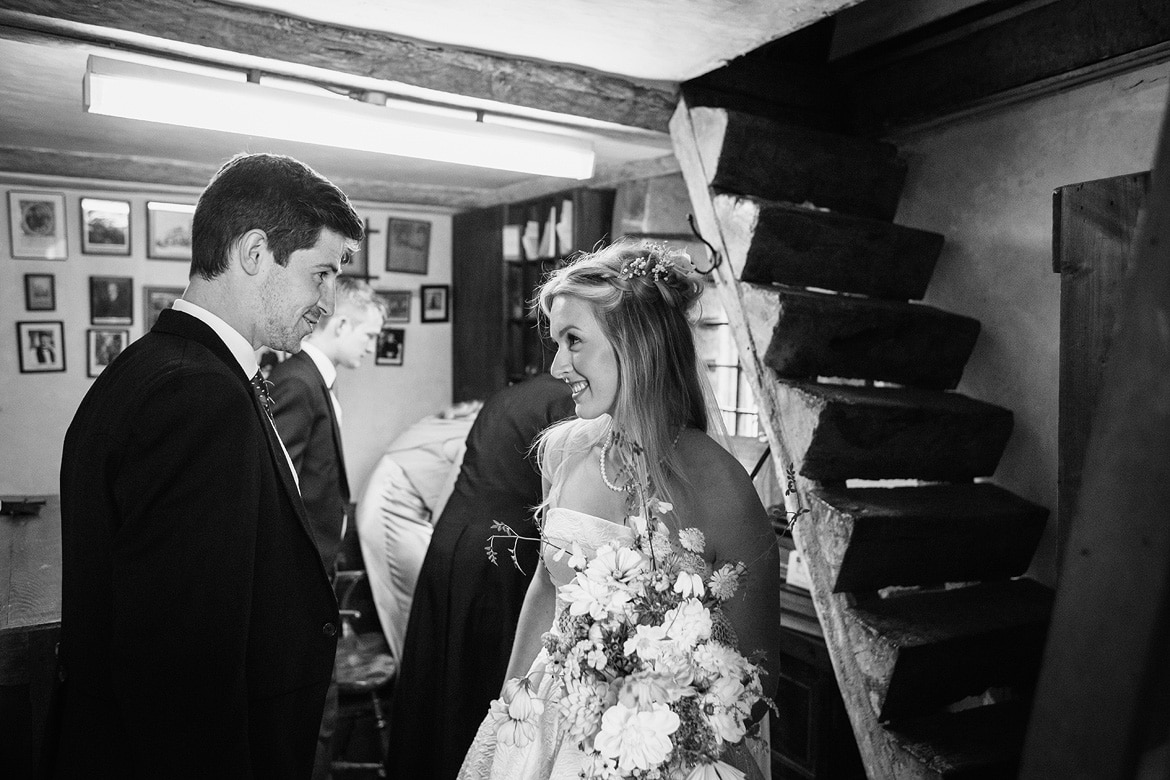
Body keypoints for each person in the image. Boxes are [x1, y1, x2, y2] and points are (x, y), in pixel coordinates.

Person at [49, 152, 364, 778]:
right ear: (254, 253)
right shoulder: (199, 397)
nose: (328, 304)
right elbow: (182, 667)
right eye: (320, 274)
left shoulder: (155, 368)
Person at [457, 240, 782, 780]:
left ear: (636, 345)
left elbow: (755, 680)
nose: (558, 364)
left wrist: (658, 743)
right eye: (556, 342)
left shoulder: (721, 487)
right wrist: (510, 700)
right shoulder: (561, 452)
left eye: (574, 341)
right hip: (546, 730)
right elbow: (546, 583)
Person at [386, 374, 574, 780]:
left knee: (440, 671)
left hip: (451, 535)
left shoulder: (509, 394)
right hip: (500, 553)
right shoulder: (570, 404)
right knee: (476, 682)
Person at [266, 274, 384, 780]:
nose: (372, 346)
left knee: (321, 702)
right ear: (338, 323)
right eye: (368, 335)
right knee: (312, 704)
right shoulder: (296, 381)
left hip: (319, 564)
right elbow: (275, 483)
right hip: (300, 572)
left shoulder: (314, 380)